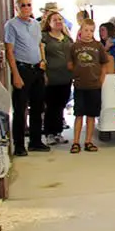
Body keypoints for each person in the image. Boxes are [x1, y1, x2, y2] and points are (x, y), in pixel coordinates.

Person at [4, 0, 49, 156]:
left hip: (37, 69)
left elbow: (39, 45)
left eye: (28, 5)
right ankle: (19, 145)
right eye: (22, 5)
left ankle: (35, 141)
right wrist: (15, 75)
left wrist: (43, 64)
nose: (26, 8)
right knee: (20, 108)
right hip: (22, 69)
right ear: (17, 8)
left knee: (38, 107)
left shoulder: (36, 24)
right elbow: (9, 51)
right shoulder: (11, 25)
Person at [68, 18, 110, 153]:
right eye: (86, 30)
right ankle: (76, 142)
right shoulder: (74, 46)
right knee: (79, 114)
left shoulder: (98, 46)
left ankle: (88, 141)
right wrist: (75, 73)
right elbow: (70, 64)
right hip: (80, 86)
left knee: (91, 115)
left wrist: (101, 79)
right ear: (80, 30)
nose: (88, 33)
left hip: (94, 86)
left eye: (91, 31)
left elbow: (104, 63)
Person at [41, 11, 74, 145]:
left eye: (60, 19)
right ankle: (49, 133)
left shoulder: (67, 38)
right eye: (55, 20)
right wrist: (44, 74)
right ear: (49, 23)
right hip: (51, 77)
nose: (58, 21)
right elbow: (41, 56)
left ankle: (58, 132)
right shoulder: (44, 37)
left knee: (61, 105)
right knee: (51, 106)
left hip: (66, 77)